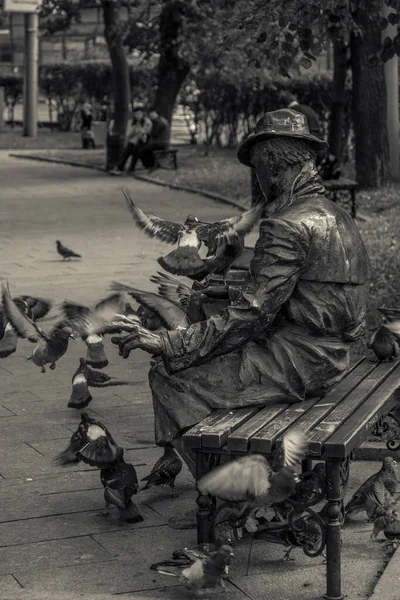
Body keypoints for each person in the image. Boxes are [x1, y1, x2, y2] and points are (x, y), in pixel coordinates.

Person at [112, 109, 370, 476]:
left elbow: (251, 314)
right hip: (333, 352)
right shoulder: (335, 213)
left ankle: (229, 502)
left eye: (257, 171)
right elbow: (311, 294)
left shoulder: (288, 223)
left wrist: (170, 342)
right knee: (201, 353)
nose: (259, 181)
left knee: (169, 376)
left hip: (301, 361)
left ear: (270, 166)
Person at [109, 106, 152, 174]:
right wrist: (134, 130)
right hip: (133, 141)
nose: (138, 116)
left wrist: (141, 130)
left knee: (135, 149)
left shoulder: (147, 122)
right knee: (126, 152)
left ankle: (131, 168)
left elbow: (147, 133)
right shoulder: (131, 122)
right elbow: (128, 135)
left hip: (143, 141)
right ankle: (119, 167)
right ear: (134, 115)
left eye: (139, 114)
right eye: (136, 114)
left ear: (142, 114)